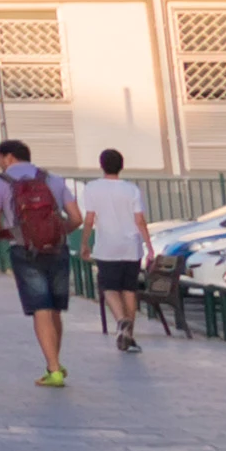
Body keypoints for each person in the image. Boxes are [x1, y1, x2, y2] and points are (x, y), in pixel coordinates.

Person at [0, 136, 78, 386]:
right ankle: (55, 363)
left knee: (40, 308)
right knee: (55, 308)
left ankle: (54, 369)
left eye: (0, 159)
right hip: (57, 249)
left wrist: (8, 233)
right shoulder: (53, 179)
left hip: (24, 250)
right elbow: (76, 217)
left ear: (9, 157)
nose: (0, 165)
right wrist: (56, 233)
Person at [88, 149, 153, 357]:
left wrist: (84, 244)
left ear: (101, 165)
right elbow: (140, 220)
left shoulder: (92, 188)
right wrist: (149, 246)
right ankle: (129, 336)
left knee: (109, 287)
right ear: (121, 166)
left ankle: (121, 321)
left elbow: (89, 219)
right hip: (131, 246)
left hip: (107, 246)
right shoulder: (131, 189)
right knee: (129, 289)